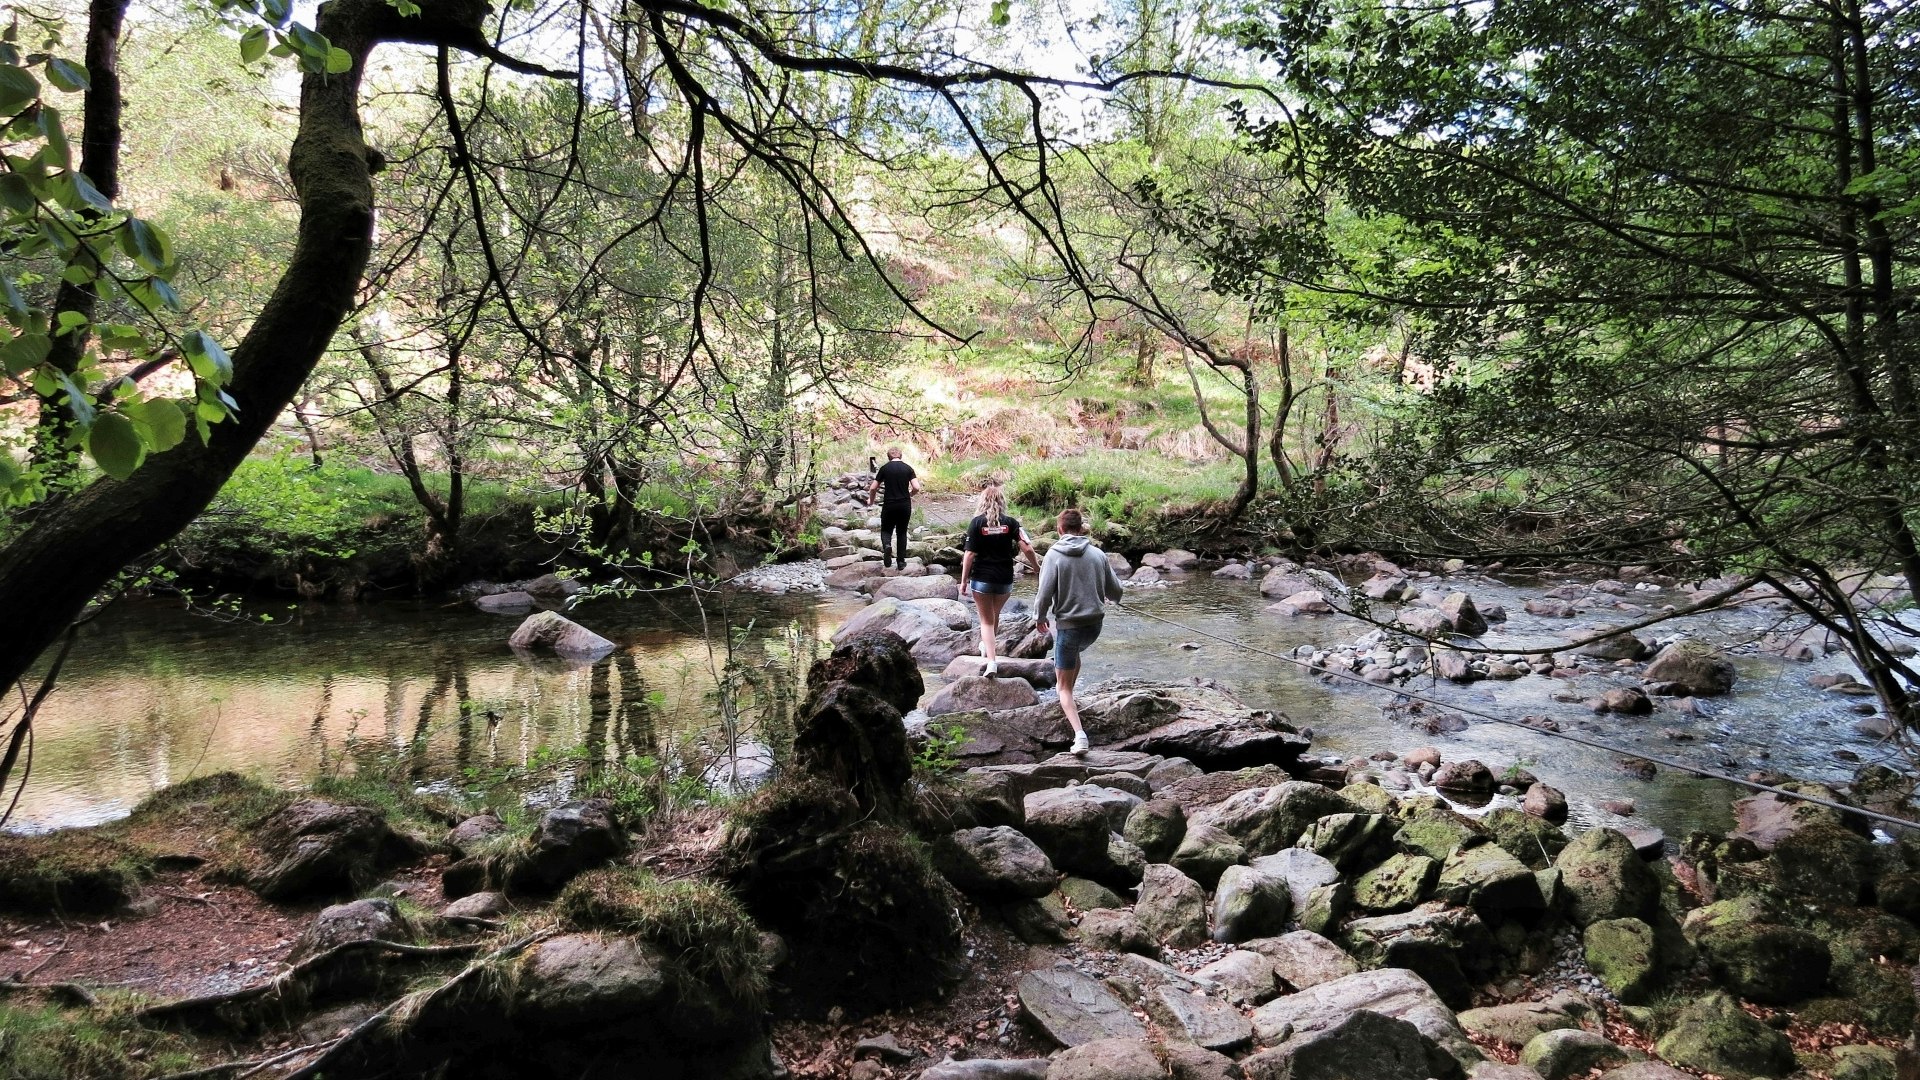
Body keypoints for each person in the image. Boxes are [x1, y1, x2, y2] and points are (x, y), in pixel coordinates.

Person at [1033, 508, 1124, 754]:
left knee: (1061, 687)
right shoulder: (1097, 554)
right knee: (1075, 654)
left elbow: (1044, 593)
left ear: (1059, 529)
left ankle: (1080, 736)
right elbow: (1116, 592)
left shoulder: (1053, 555)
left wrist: (1039, 617)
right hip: (1094, 626)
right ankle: (1071, 699)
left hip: (1070, 627)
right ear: (1081, 528)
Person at [956, 482, 1040, 676]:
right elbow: (1027, 547)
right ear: (1002, 502)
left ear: (983, 502)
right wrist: (1036, 567)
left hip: (982, 579)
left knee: (985, 620)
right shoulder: (1011, 523)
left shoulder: (976, 523)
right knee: (994, 615)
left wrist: (963, 581)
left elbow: (969, 555)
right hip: (1004, 580)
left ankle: (991, 662)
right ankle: (987, 646)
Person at [867, 446, 921, 570]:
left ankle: (887, 546)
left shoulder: (885, 468)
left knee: (886, 530)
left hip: (889, 504)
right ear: (900, 456)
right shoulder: (908, 468)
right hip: (904, 505)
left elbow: (873, 488)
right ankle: (901, 562)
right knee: (901, 532)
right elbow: (916, 487)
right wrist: (909, 494)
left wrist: (871, 500)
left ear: (889, 457)